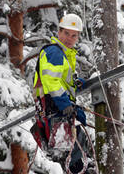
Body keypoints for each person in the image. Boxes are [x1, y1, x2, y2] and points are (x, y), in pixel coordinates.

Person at [32, 13, 88, 173]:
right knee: (71, 156)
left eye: (74, 35)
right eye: (66, 33)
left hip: (53, 111)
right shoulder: (54, 52)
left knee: (70, 153)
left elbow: (60, 82)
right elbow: (51, 81)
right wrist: (65, 105)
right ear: (59, 32)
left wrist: (75, 85)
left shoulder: (63, 55)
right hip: (55, 110)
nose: (69, 38)